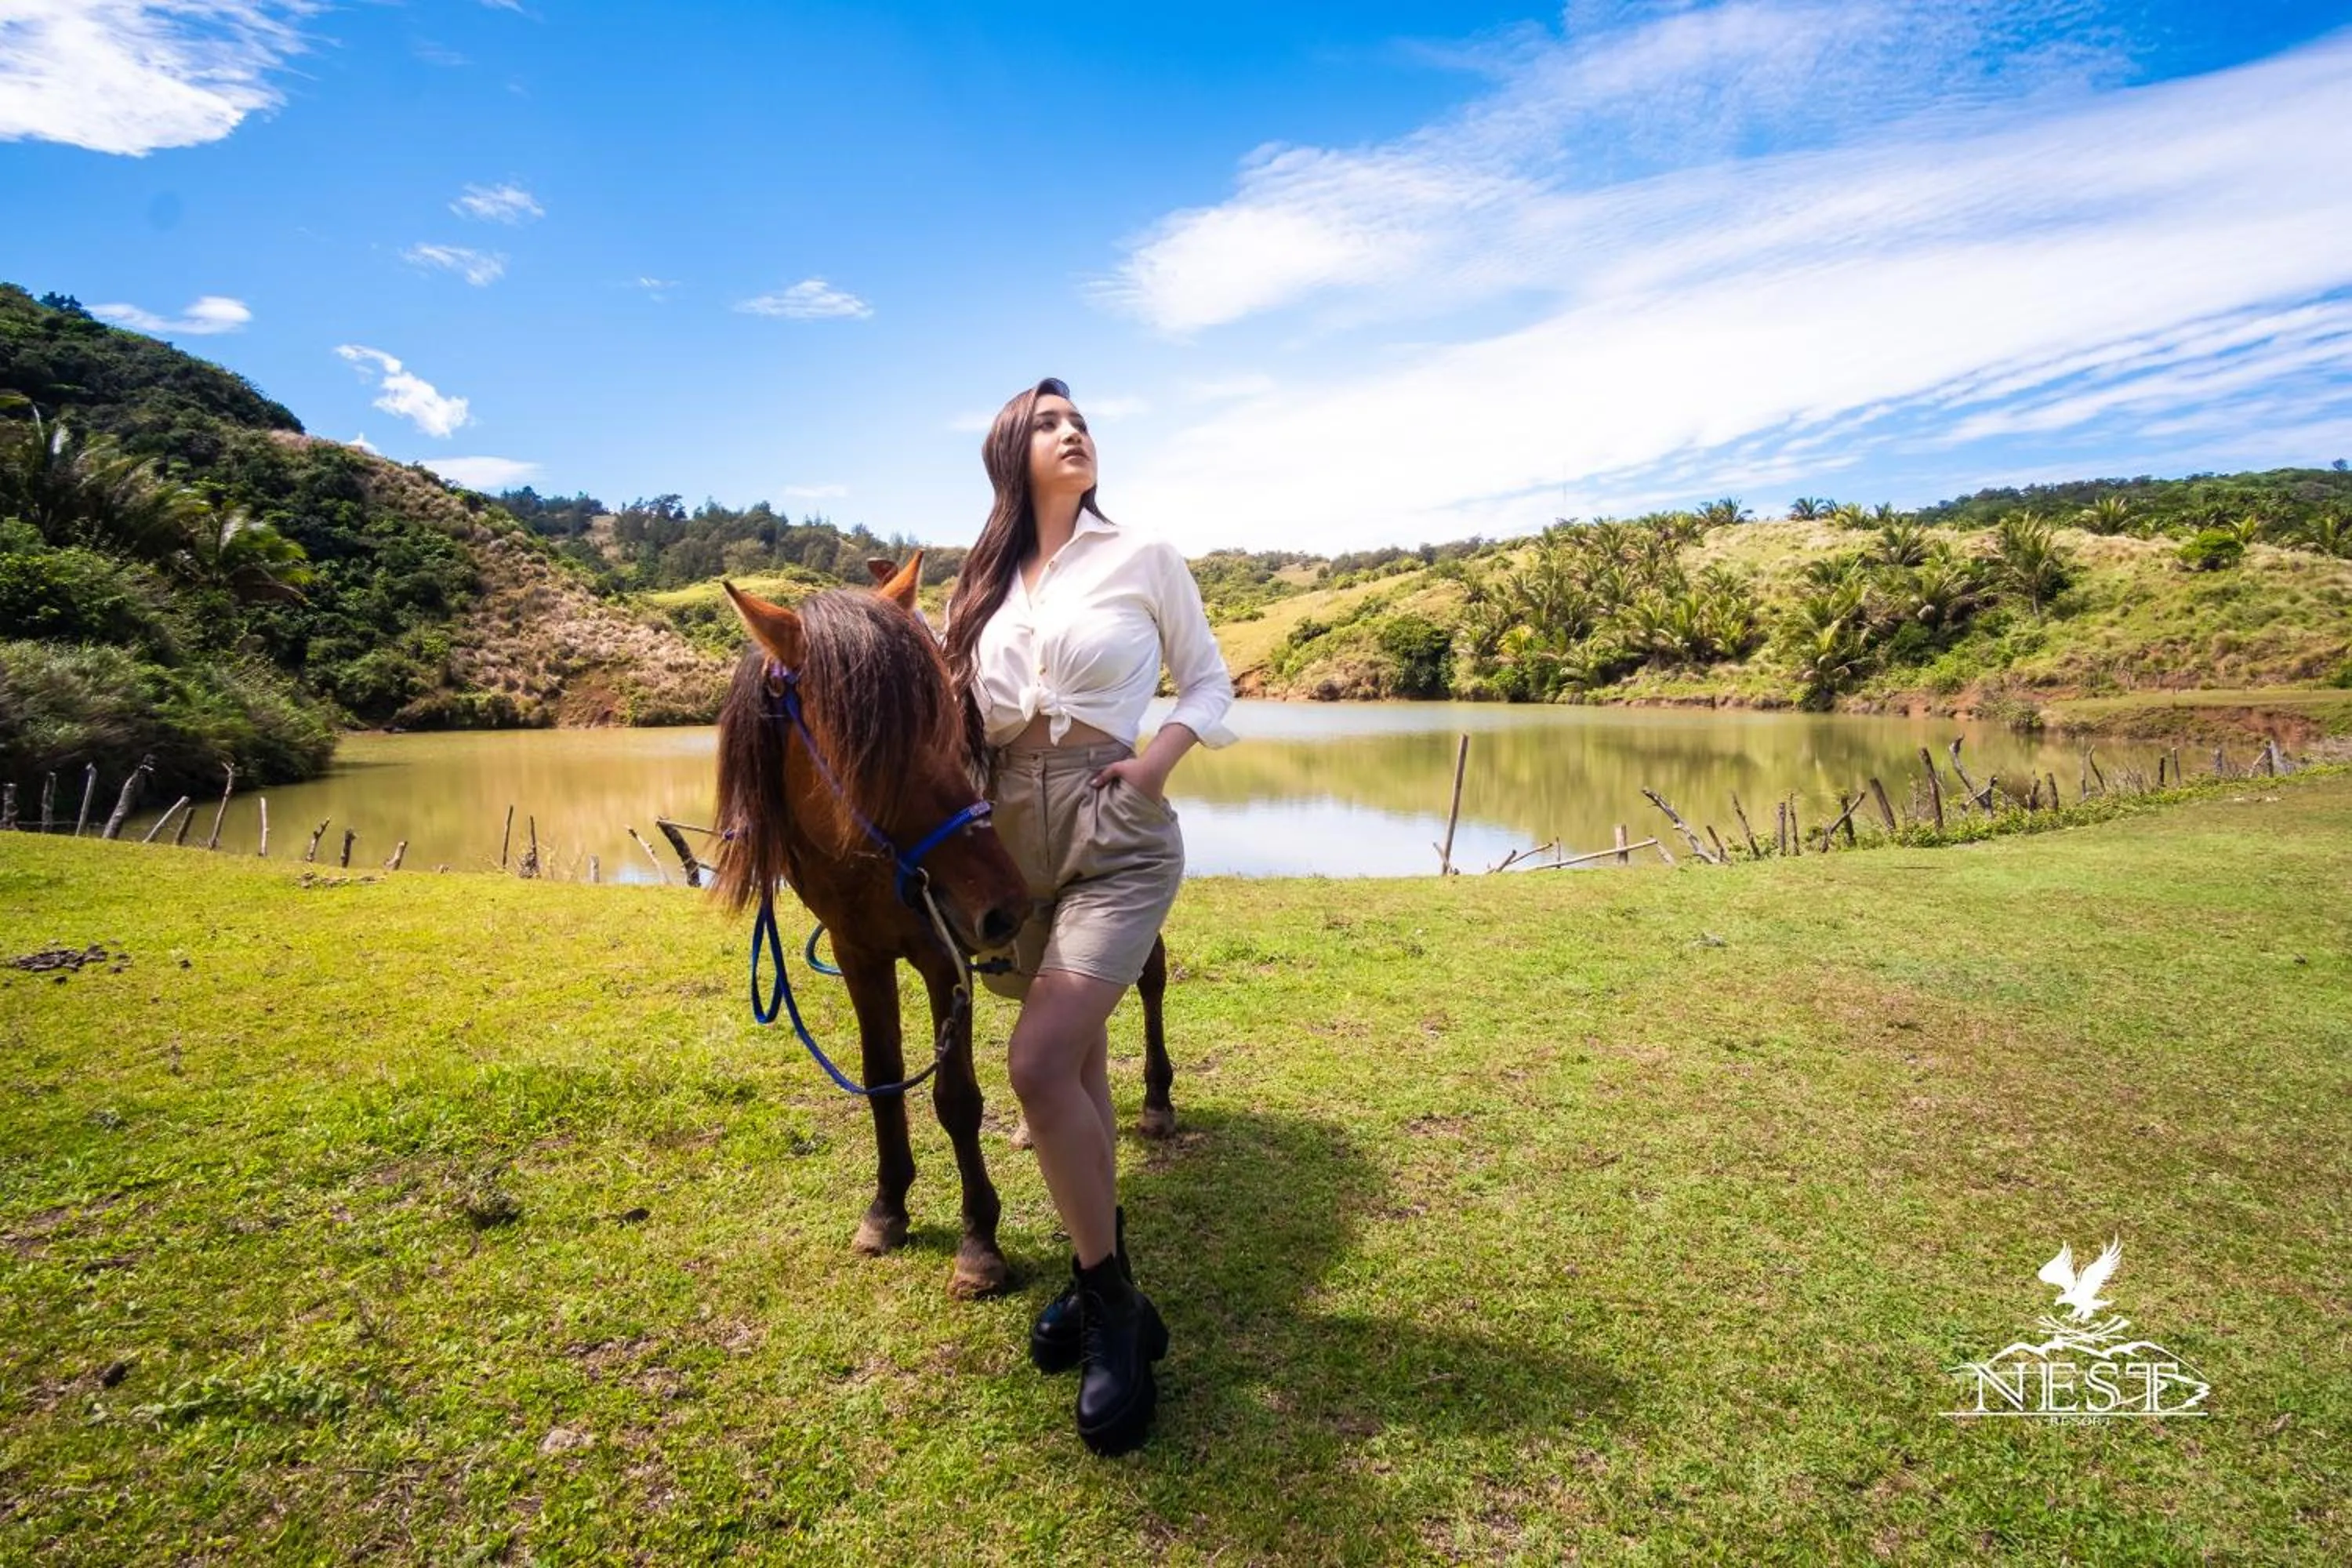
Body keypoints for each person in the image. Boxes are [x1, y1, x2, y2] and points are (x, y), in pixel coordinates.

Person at [942, 377, 1236, 1455]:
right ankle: (1097, 1272)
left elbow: (1208, 685)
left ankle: (1112, 1313)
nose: (1076, 433)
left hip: (1115, 834)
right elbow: (955, 725)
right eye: (1050, 424)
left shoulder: (1143, 556)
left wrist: (1153, 765)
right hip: (1012, 837)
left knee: (1036, 1063)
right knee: (1082, 1071)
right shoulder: (979, 584)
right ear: (1011, 454)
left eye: (1082, 421)